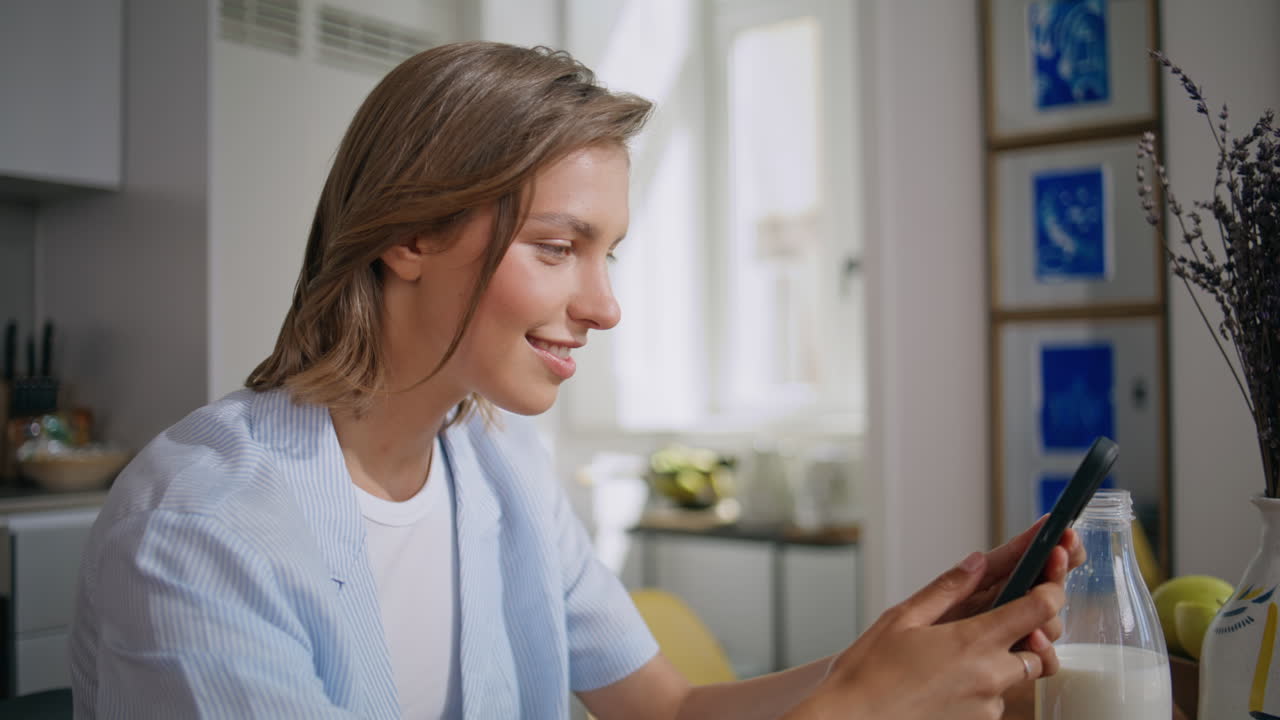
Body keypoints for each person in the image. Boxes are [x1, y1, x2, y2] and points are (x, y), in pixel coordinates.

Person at [69, 41, 1083, 719]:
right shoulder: (203, 531)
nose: (604, 307)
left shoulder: (497, 466)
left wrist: (896, 654)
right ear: (410, 234)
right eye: (558, 248)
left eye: (608, 255)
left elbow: (670, 711)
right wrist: (853, 711)